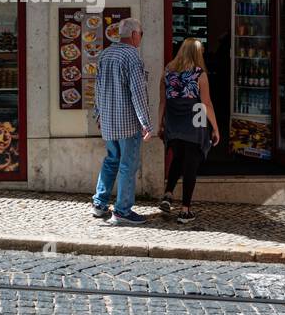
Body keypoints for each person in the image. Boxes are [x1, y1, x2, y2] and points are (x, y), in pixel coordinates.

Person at [91, 16, 154, 225]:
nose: (141, 38)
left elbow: (97, 88)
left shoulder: (105, 54)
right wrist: (146, 124)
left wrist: (98, 113)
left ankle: (99, 205)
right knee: (127, 165)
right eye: (142, 34)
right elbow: (138, 92)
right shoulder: (132, 57)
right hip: (127, 123)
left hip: (108, 121)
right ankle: (122, 211)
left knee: (111, 161)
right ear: (135, 35)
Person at [157, 37, 220, 224]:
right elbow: (206, 104)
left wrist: (159, 124)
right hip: (195, 119)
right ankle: (185, 210)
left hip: (174, 121)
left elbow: (163, 102)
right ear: (197, 53)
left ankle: (168, 194)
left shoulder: (167, 71)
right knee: (191, 164)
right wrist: (216, 128)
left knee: (178, 157)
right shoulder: (199, 74)